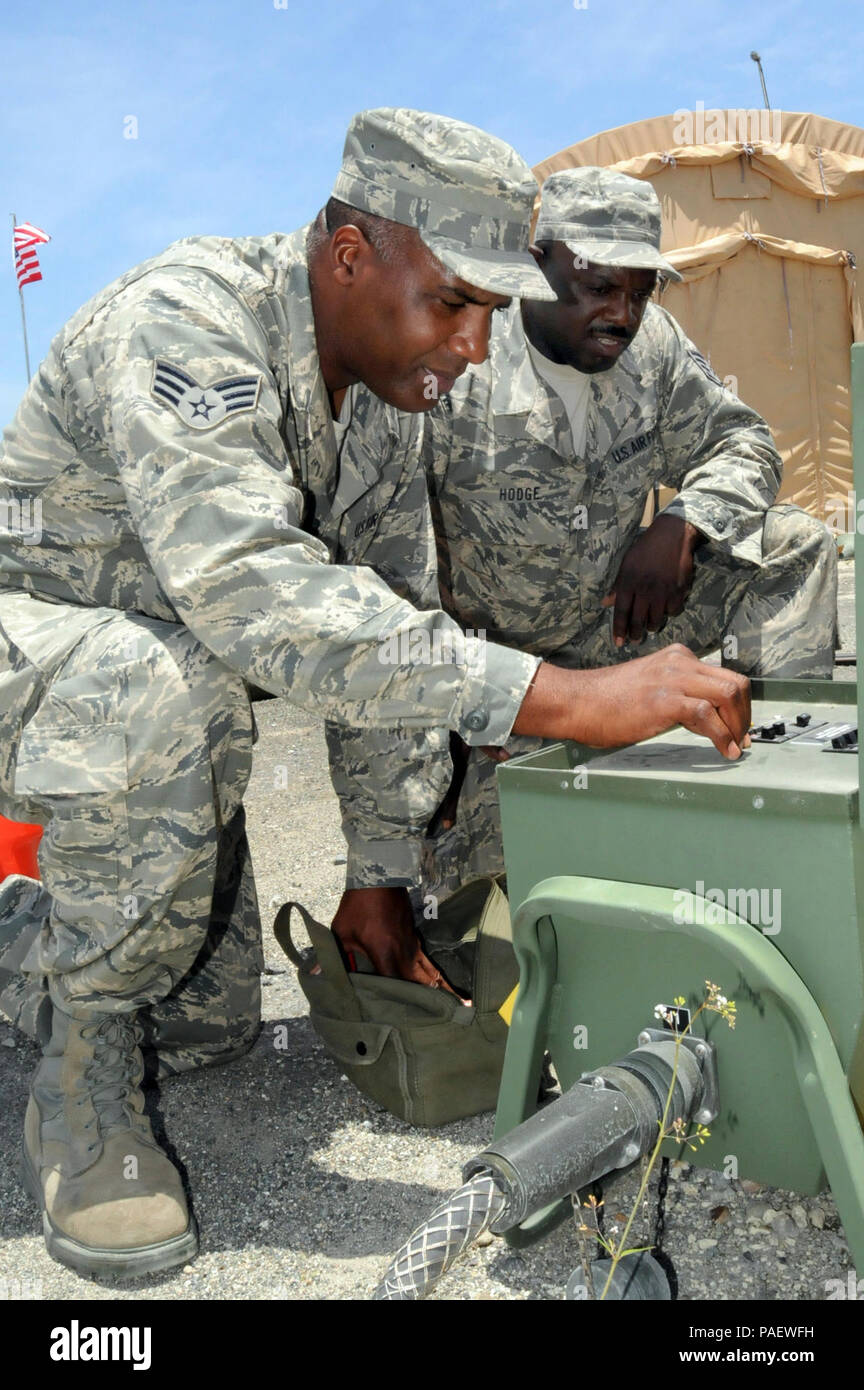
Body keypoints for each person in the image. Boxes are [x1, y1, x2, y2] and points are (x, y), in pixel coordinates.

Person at [0, 118, 750, 1280]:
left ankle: (32, 945)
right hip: (43, 658)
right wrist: (564, 697)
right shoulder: (190, 321)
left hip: (142, 690)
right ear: (348, 256)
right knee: (164, 687)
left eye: (492, 313)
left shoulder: (390, 406)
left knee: (206, 1031)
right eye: (453, 302)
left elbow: (394, 628)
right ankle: (77, 1089)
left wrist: (380, 872)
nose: (472, 341)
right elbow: (259, 597)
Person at [328, 165, 835, 951]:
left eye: (640, 291)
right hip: (506, 695)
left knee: (793, 542)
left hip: (621, 633)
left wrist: (684, 522)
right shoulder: (452, 363)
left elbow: (746, 442)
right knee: (505, 933)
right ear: (536, 264)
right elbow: (382, 601)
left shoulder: (652, 349)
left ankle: (775, 792)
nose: (621, 314)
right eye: (598, 286)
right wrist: (394, 838)